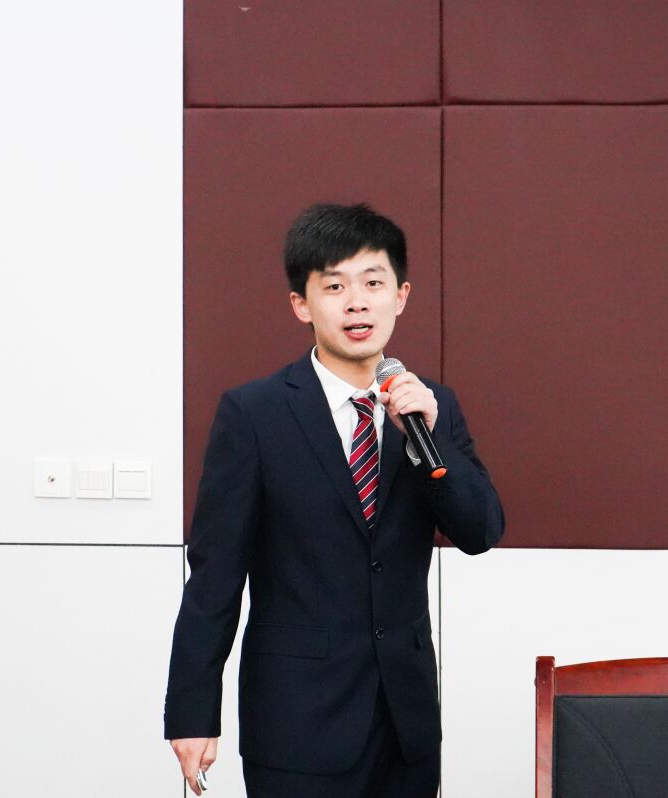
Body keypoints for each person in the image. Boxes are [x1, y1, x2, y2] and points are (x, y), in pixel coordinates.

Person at [164, 202, 505, 797]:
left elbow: (480, 532)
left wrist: (431, 442)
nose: (357, 303)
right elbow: (215, 575)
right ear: (302, 304)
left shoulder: (431, 408)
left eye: (373, 283)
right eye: (335, 286)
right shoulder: (254, 414)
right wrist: (193, 712)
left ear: (400, 296)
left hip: (406, 723)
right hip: (296, 722)